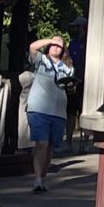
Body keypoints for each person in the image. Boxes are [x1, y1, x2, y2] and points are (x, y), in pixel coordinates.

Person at [25, 34, 72, 193]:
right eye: (53, 44)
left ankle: (42, 178)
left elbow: (70, 86)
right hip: (39, 107)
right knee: (41, 143)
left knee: (50, 146)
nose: (56, 46)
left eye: (60, 45)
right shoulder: (41, 60)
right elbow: (32, 46)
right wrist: (51, 40)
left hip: (58, 111)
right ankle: (37, 178)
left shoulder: (68, 67)